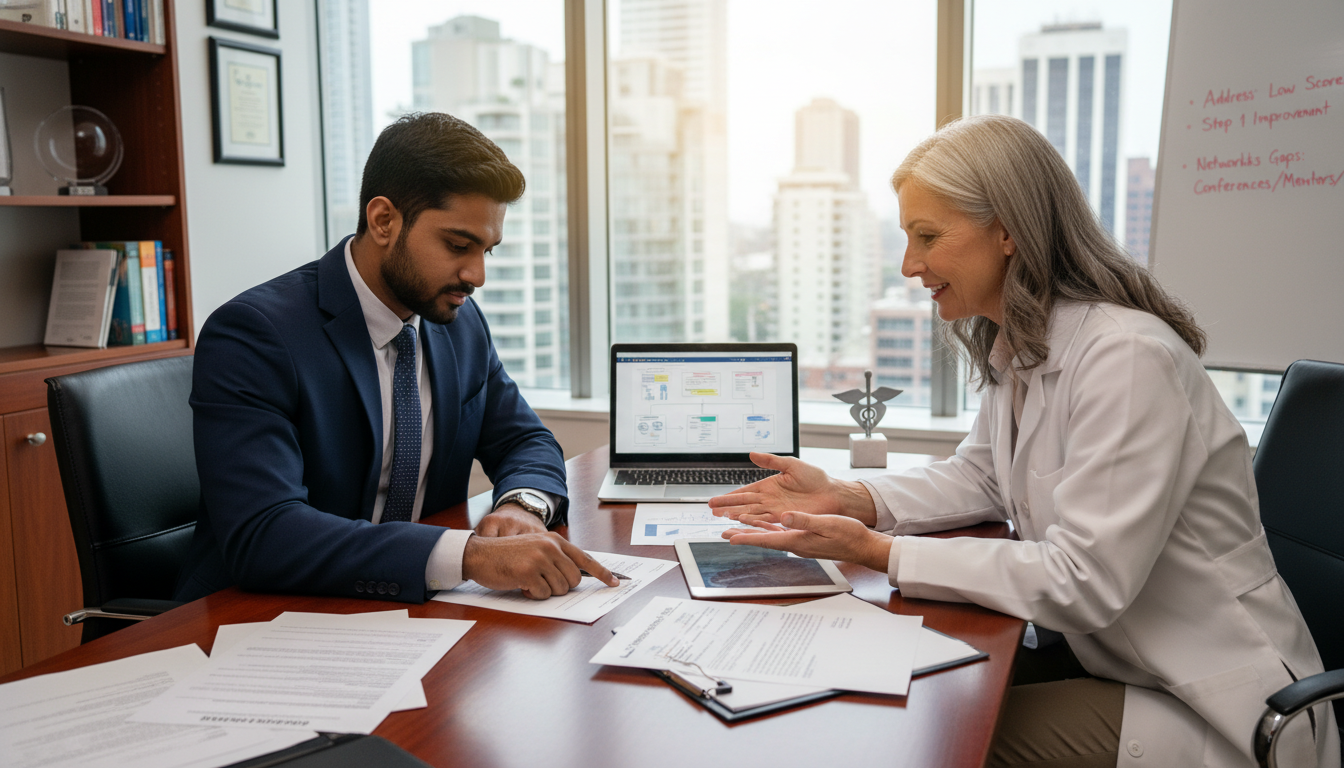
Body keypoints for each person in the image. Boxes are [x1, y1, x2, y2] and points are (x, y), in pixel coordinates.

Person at [710, 115, 1338, 768]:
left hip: (1208, 702)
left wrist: (878, 551)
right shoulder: (1026, 345)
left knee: (932, 741)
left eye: (927, 236)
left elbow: (1082, 579)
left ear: (1006, 231)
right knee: (913, 702)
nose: (909, 265)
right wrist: (851, 497)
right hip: (1120, 660)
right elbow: (982, 477)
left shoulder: (1126, 359)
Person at [174, 113, 616, 605]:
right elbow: (265, 534)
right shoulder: (255, 335)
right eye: (456, 245)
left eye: (486, 251)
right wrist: (470, 556)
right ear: (383, 221)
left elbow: (525, 439)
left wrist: (523, 506)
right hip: (262, 615)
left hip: (412, 609)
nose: (476, 275)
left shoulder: (459, 323)